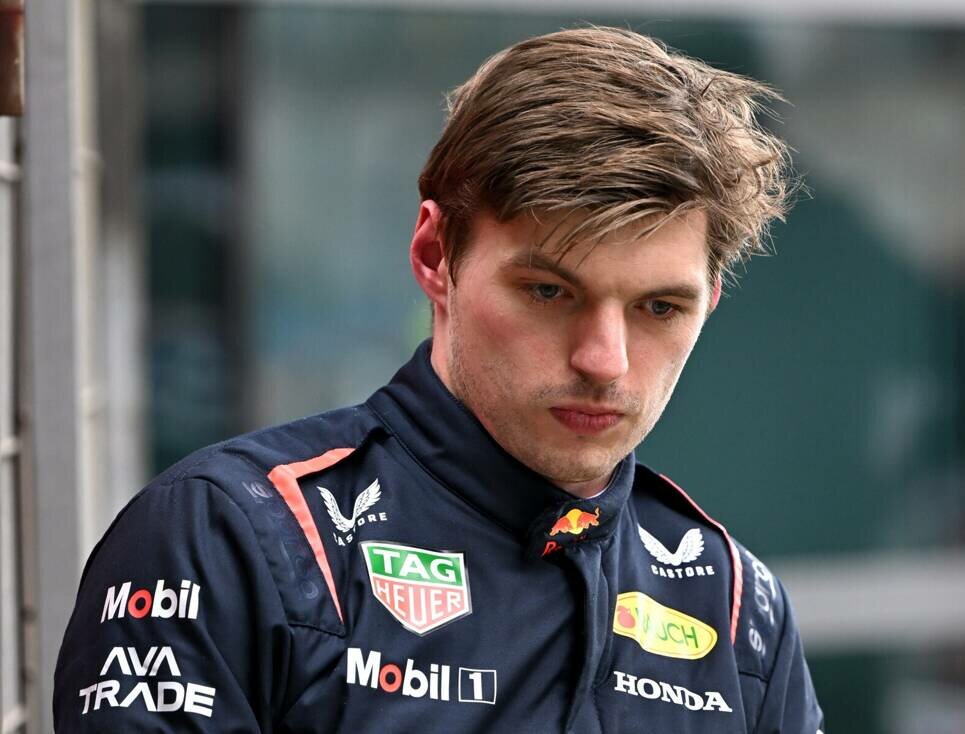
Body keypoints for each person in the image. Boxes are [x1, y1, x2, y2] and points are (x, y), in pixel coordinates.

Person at [54, 26, 824, 733]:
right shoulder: (227, 536)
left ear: (709, 302)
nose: (604, 360)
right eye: (549, 291)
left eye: (659, 307)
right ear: (434, 256)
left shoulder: (733, 602)